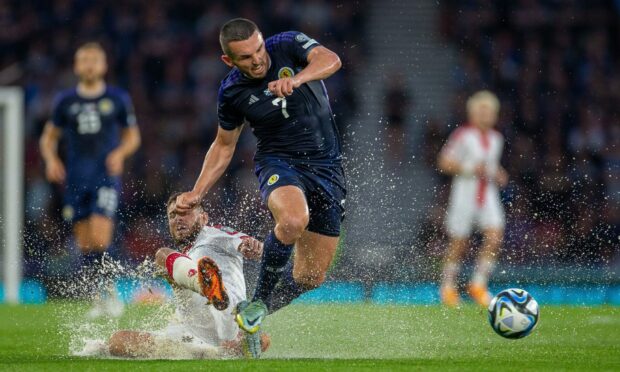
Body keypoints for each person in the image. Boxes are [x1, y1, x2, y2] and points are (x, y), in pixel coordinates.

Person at [175, 18, 345, 358]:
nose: (257, 60)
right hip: (278, 162)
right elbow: (224, 146)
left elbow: (331, 60)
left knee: (311, 278)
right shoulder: (232, 91)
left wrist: (297, 79)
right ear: (229, 61)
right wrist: (198, 191)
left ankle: (252, 309)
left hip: (327, 168)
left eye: (258, 50)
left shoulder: (288, 44)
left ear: (263, 40)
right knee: (293, 221)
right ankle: (259, 303)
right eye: (245, 58)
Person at [39, 42, 141, 317]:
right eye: (83, 59)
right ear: (76, 66)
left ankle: (112, 296)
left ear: (104, 65)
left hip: (104, 177)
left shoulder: (117, 98)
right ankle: (99, 297)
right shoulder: (66, 101)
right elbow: (49, 137)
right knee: (84, 243)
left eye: (94, 59)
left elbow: (133, 136)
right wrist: (51, 160)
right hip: (75, 179)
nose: (89, 64)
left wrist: (120, 152)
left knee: (99, 235)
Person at [102, 193, 270, 359]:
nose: (178, 219)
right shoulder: (182, 259)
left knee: (162, 256)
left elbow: (247, 244)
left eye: (185, 213)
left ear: (204, 218)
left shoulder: (215, 234)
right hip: (193, 334)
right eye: (172, 215)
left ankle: (207, 291)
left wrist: (252, 247)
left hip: (227, 317)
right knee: (117, 341)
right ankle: (212, 352)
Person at [437, 90, 508, 307]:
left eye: (489, 111)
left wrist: (499, 173)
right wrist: (469, 167)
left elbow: (490, 166)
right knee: (459, 241)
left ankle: (478, 283)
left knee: (495, 235)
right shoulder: (462, 135)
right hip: (465, 193)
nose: (485, 115)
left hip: (487, 194)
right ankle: (447, 287)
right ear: (472, 113)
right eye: (481, 110)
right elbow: (443, 162)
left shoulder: (497, 139)